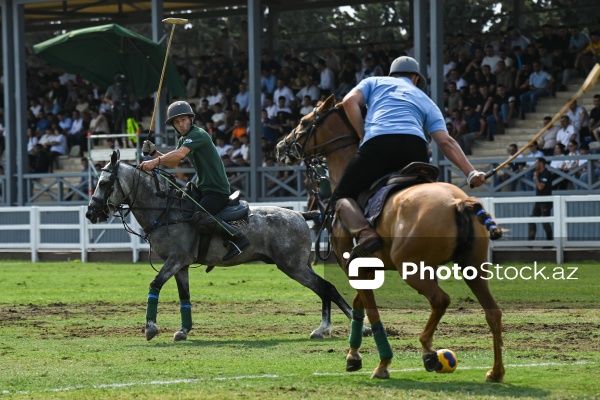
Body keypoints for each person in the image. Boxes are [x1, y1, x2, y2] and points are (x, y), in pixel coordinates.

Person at [331, 56, 487, 260]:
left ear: (392, 74)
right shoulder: (425, 99)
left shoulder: (373, 82)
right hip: (415, 149)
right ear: (415, 78)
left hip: (379, 144)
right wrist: (471, 173)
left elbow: (349, 102)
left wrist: (362, 135)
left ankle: (366, 233)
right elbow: (446, 141)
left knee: (341, 195)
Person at [139, 101, 249, 261]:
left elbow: (179, 155)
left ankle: (238, 238)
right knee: (183, 214)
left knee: (200, 217)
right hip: (203, 188)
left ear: (191, 119)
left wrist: (153, 162)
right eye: (177, 122)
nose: (181, 124)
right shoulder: (184, 140)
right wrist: (154, 152)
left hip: (217, 190)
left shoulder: (198, 134)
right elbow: (174, 163)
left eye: (183, 120)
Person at [528, 157, 553, 242]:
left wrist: (537, 177)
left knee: (545, 222)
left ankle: (549, 242)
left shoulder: (547, 173)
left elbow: (541, 186)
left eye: (536, 163)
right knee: (531, 219)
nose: (535, 165)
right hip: (538, 201)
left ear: (541, 163)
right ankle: (530, 242)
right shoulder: (539, 173)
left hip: (545, 201)